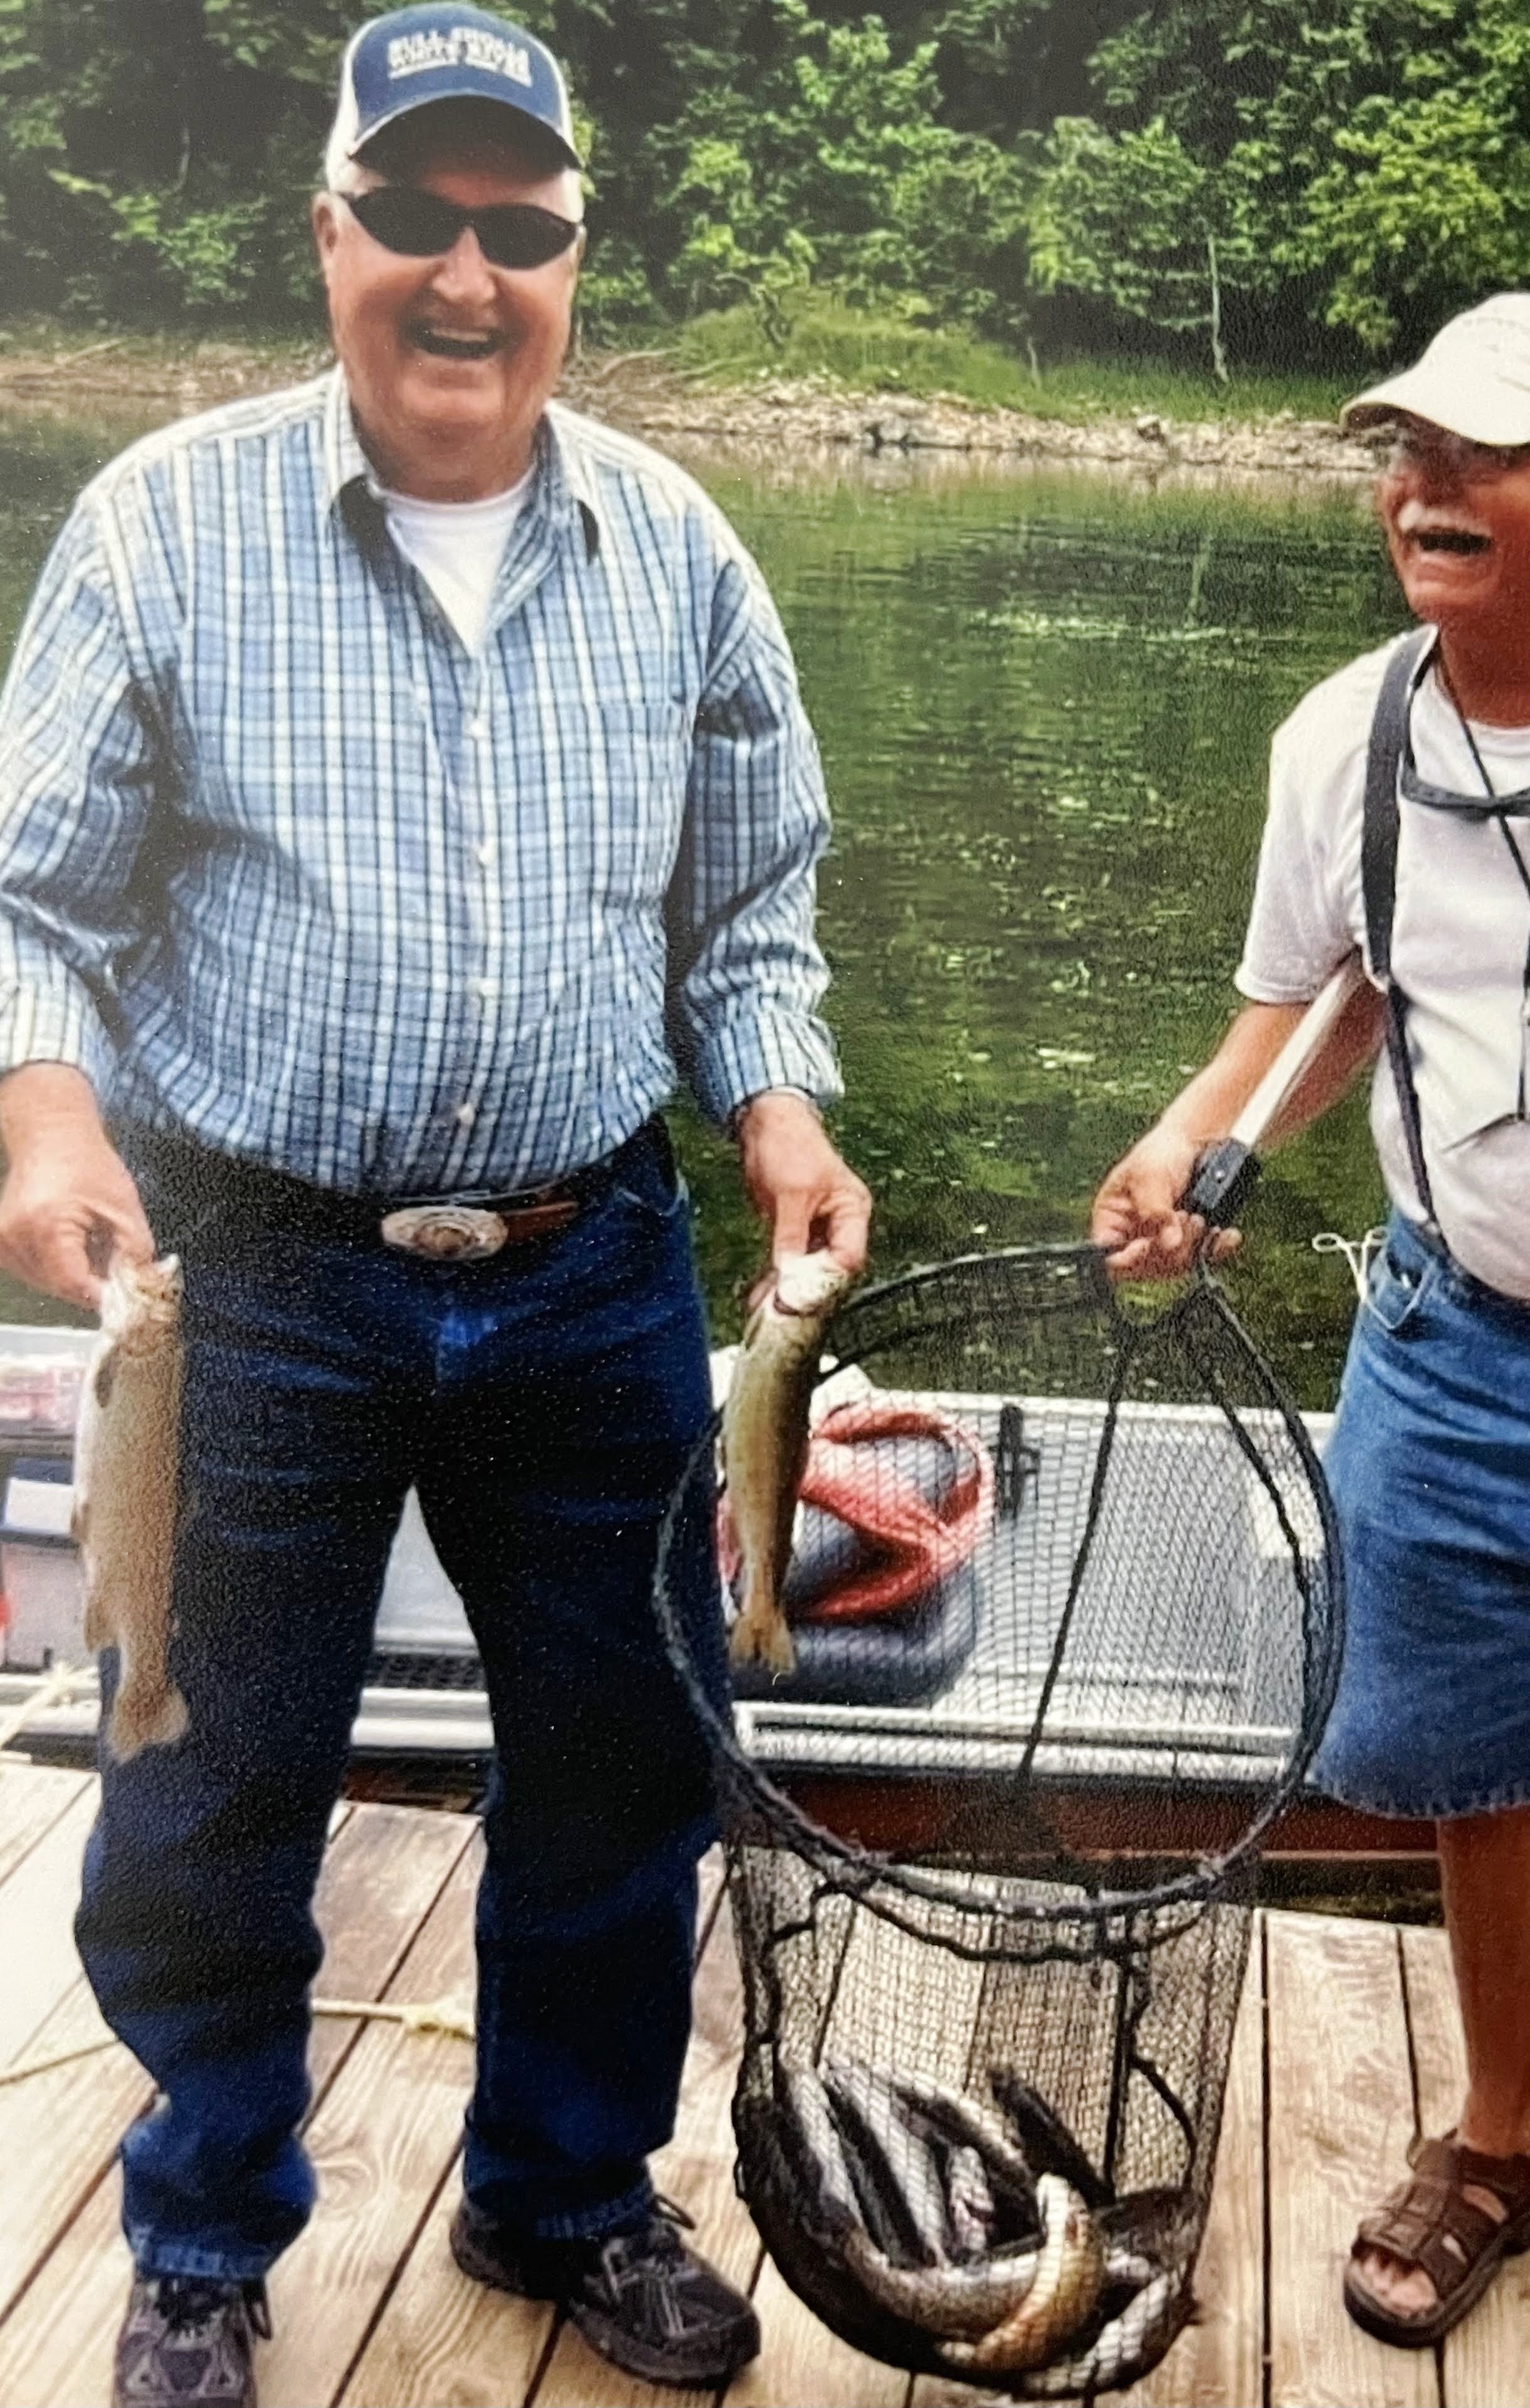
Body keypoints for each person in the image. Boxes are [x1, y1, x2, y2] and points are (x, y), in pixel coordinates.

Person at [0, 8, 871, 2403]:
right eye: (414, 216)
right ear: (329, 235)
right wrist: (49, 1127)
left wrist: (781, 1111)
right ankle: (202, 2230)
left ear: (577, 255)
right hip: (246, 1279)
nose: (465, 275)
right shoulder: (159, 526)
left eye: (518, 228)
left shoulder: (679, 549)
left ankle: (563, 2191)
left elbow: (751, 918)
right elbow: (35, 906)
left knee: (624, 1760)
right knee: (205, 1768)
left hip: (598, 1263)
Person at [1092, 293, 1530, 2384]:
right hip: (1452, 1343)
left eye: (1485, 455)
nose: (1423, 489)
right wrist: (1191, 1141)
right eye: (1407, 451)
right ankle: (1499, 2140)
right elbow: (1318, 1001)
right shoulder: (1346, 739)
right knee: (1485, 1762)